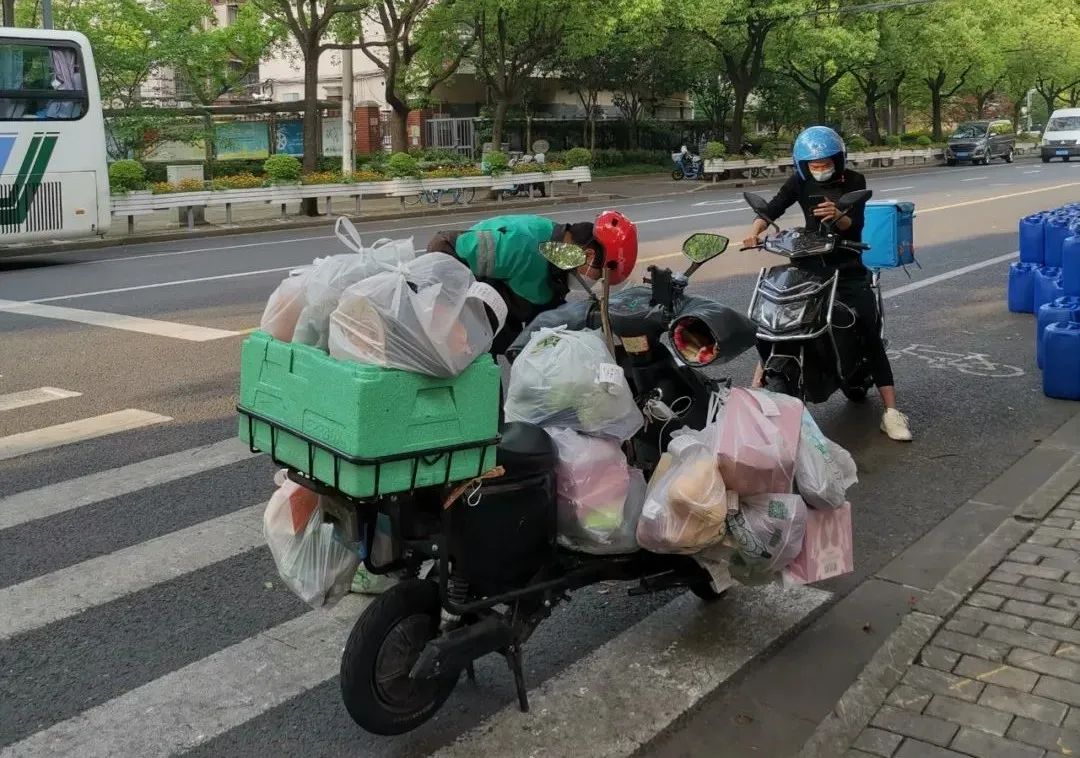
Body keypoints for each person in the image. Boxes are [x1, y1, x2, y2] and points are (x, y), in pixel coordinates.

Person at [741, 125, 912, 442]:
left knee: (868, 327)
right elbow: (773, 207)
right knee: (774, 322)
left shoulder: (854, 181)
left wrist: (837, 214)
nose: (819, 169)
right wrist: (755, 231)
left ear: (838, 160)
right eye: (814, 164)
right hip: (808, 265)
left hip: (846, 266)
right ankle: (754, 396)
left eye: (825, 163)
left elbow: (854, 225)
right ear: (803, 164)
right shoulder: (799, 181)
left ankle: (891, 412)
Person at [425, 211, 639, 356]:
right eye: (598, 275)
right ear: (588, 255)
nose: (594, 281)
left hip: (494, 330)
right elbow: (442, 246)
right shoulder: (520, 242)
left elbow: (547, 319)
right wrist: (450, 319)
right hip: (466, 330)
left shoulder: (560, 264)